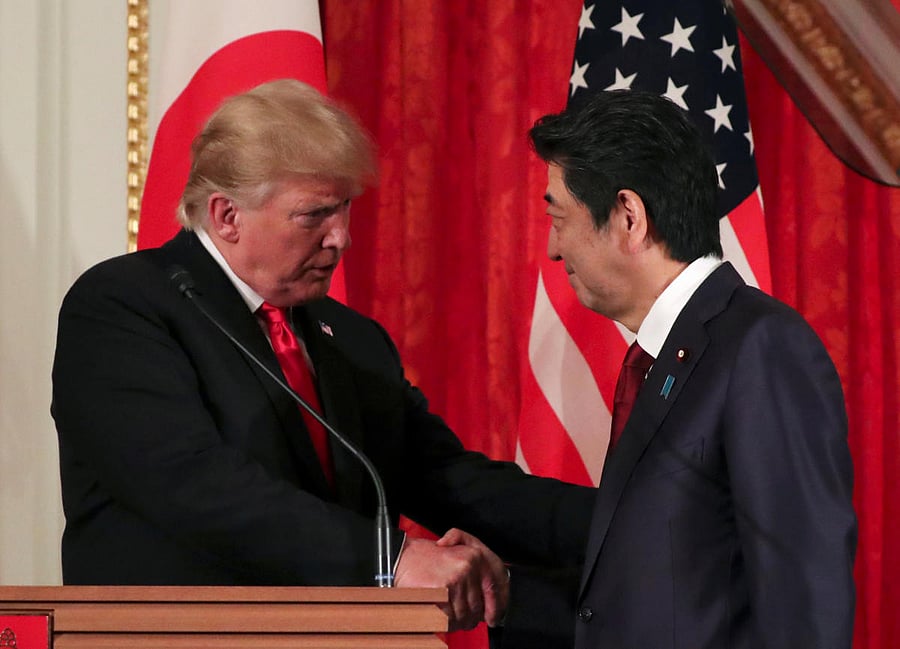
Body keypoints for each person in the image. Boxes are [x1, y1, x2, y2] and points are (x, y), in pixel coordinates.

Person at [51, 79, 595, 632]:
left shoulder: (352, 339)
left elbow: (449, 480)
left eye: (344, 210)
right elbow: (190, 483)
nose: (341, 238)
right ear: (226, 216)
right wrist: (391, 558)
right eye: (314, 216)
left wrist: (627, 523)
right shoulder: (123, 306)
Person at [497, 90, 857, 648]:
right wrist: (508, 594)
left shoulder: (762, 348)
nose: (551, 247)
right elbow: (656, 597)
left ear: (628, 216)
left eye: (558, 218)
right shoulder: (664, 359)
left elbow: (805, 604)